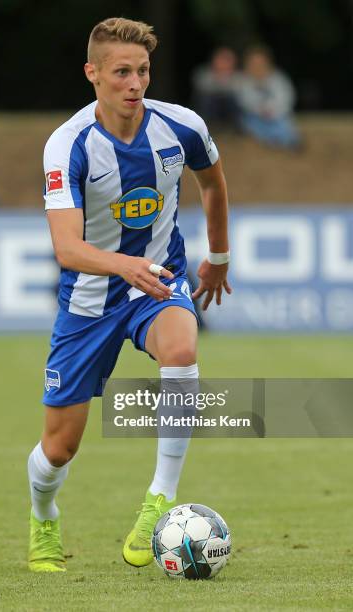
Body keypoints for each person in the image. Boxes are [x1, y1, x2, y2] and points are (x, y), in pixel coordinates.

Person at [27, 17, 231, 573]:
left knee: (183, 351)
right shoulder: (68, 145)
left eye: (142, 71)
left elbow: (211, 182)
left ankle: (159, 500)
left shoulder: (180, 126)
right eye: (121, 72)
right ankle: (43, 517)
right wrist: (123, 265)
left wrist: (217, 257)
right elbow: (67, 248)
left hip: (157, 283)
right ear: (93, 74)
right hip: (89, 299)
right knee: (58, 450)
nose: (134, 82)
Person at [237, 46, 301, 149]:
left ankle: (288, 141)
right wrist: (260, 110)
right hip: (254, 117)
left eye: (260, 63)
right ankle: (274, 141)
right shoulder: (243, 81)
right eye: (254, 63)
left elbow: (286, 99)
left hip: (277, 115)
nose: (257, 66)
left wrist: (272, 110)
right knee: (253, 125)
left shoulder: (278, 79)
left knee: (282, 124)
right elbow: (244, 101)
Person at [191, 47, 242, 131]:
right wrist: (221, 82)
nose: (224, 63)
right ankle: (206, 128)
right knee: (206, 99)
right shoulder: (203, 73)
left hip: (229, 107)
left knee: (233, 100)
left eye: (228, 60)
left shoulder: (239, 76)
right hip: (210, 106)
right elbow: (202, 87)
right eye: (222, 59)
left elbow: (239, 90)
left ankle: (234, 129)